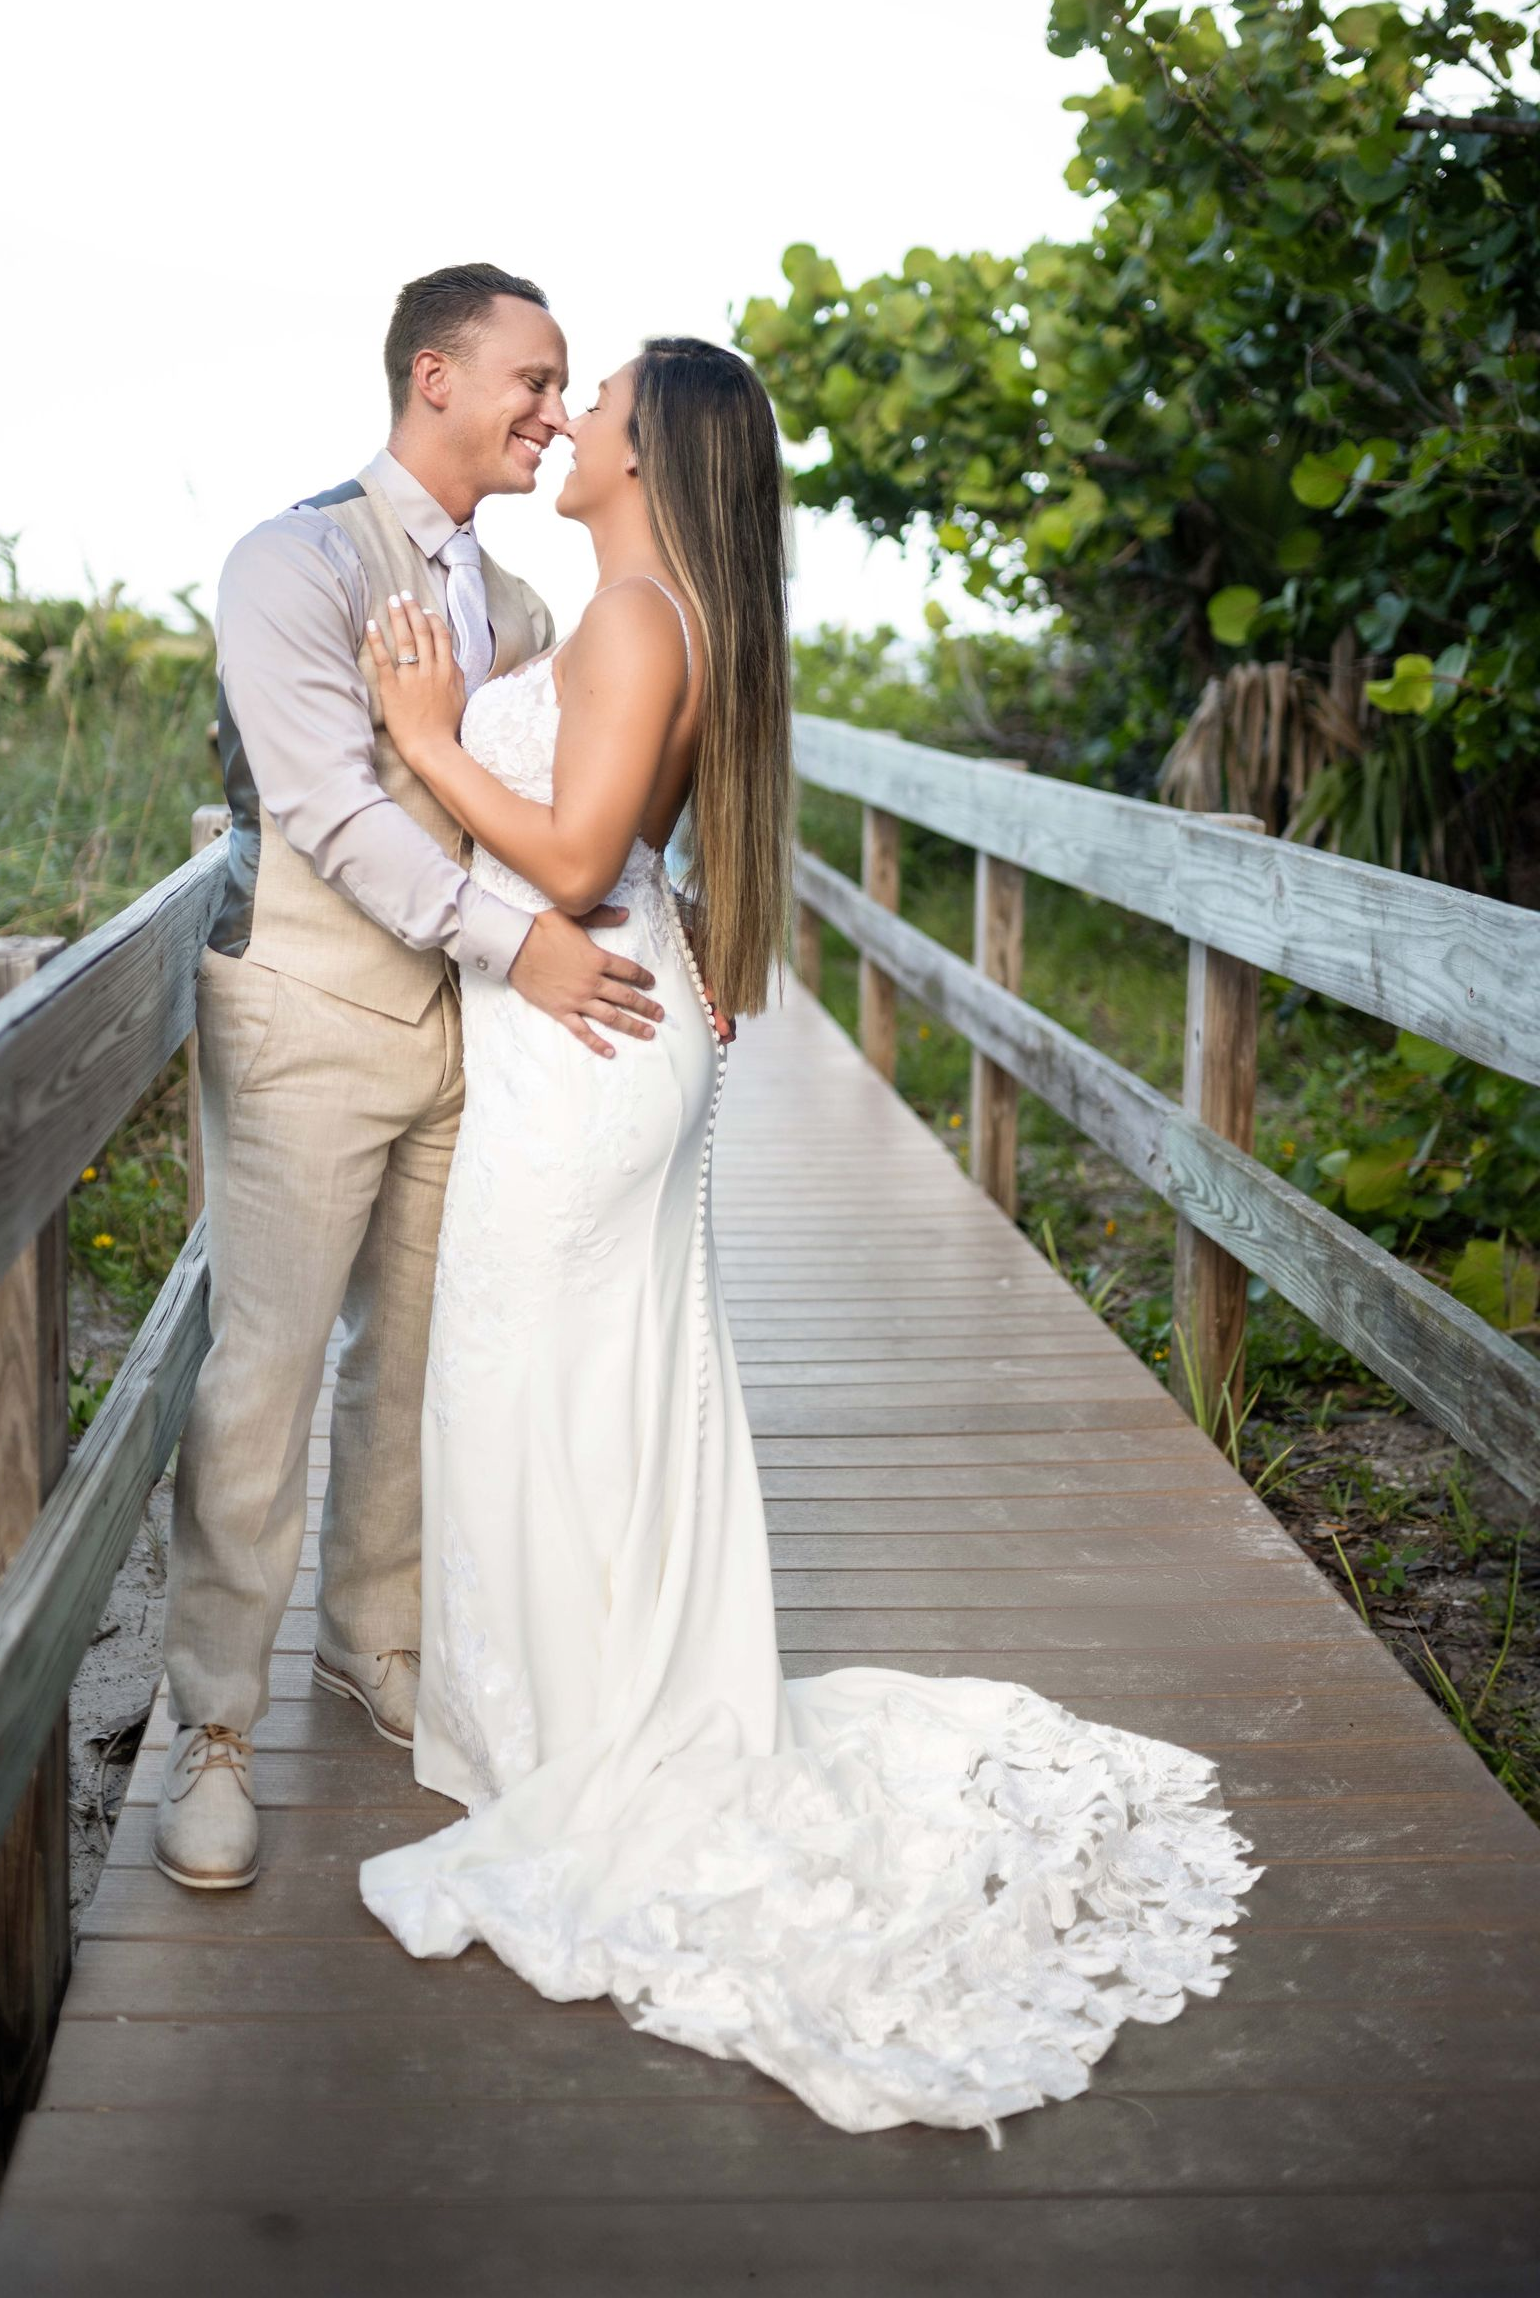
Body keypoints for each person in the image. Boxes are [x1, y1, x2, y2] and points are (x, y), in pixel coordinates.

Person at [356, 337, 1260, 2138]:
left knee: (536, 1370)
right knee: (582, 1376)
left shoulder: (631, 616)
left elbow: (573, 853)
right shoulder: (664, 607)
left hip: (587, 1038)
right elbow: (646, 855)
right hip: (609, 1024)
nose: (575, 415)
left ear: (654, 447)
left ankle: (576, 1735)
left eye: (598, 397)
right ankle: (569, 1702)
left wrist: (425, 734)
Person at [155, 264, 668, 1893]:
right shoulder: (290, 560)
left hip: (473, 1047)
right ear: (433, 375)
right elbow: (328, 806)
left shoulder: (514, 610)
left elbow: (556, 801)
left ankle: (372, 1638)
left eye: (572, 384)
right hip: (304, 1012)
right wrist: (514, 942)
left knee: (419, 1362)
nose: (553, 407)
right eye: (533, 375)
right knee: (267, 1370)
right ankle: (213, 1726)